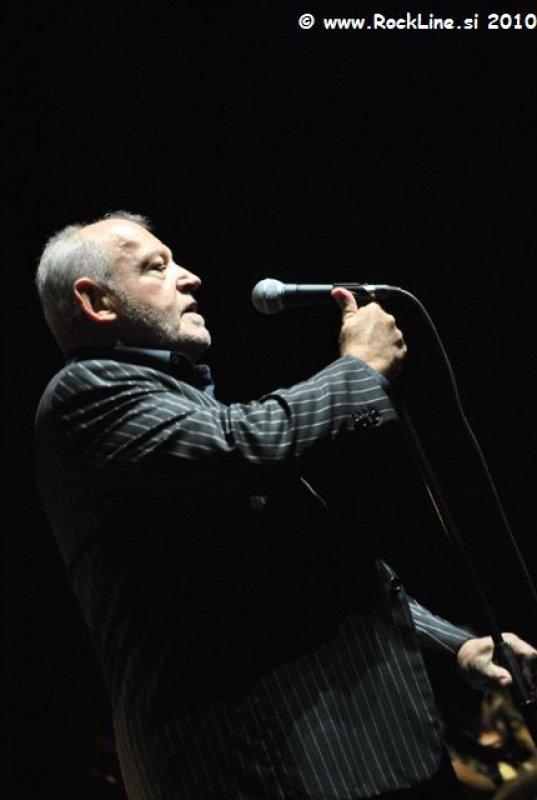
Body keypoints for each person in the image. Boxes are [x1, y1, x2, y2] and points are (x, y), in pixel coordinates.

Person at [34, 211, 536, 799]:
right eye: (156, 266)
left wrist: (456, 646)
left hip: (348, 761)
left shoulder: (180, 402)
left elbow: (314, 565)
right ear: (96, 301)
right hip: (260, 767)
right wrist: (357, 368)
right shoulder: (86, 395)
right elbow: (244, 445)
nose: (190, 277)